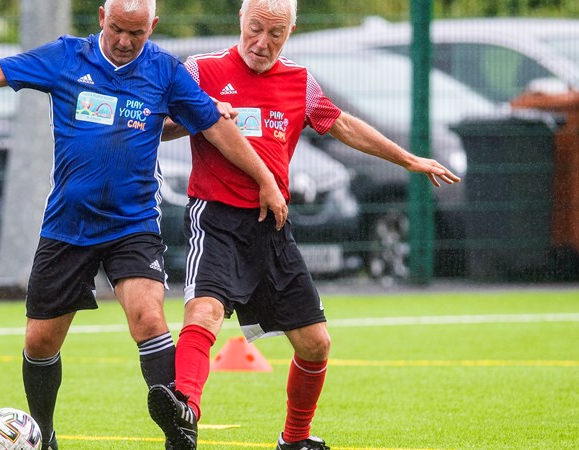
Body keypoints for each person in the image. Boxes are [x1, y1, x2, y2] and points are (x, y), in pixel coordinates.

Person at [0, 1, 288, 449]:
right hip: (68, 223)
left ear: (152, 27)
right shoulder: (66, 57)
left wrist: (264, 180)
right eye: (117, 28)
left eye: (136, 33)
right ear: (102, 17)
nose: (124, 41)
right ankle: (44, 435)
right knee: (41, 340)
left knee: (148, 316)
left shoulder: (165, 71)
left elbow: (216, 127)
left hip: (133, 222)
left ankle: (181, 434)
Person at [147, 0, 463, 449]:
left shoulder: (299, 81)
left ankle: (294, 440)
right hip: (215, 218)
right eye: (255, 28)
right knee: (204, 312)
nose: (262, 42)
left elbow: (342, 125)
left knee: (316, 344)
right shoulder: (201, 71)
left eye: (275, 33)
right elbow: (157, 125)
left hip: (272, 226)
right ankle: (185, 413)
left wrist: (408, 158)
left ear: (290, 31)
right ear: (241, 19)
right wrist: (201, 113)